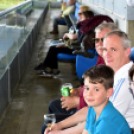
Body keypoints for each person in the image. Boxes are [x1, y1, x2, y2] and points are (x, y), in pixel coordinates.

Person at [44, 26, 134, 134]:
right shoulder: (113, 73)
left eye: (113, 49)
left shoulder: (124, 81)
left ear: (126, 52)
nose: (107, 54)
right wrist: (59, 126)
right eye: (105, 49)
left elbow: (101, 121)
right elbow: (92, 113)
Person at [35, 9, 94, 77]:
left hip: (77, 49)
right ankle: (48, 68)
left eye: (82, 18)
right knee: (53, 48)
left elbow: (74, 38)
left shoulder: (86, 29)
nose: (80, 19)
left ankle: (50, 70)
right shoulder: (86, 27)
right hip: (76, 47)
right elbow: (77, 40)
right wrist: (64, 45)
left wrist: (66, 39)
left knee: (53, 50)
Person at [82, 65, 131, 134]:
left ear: (109, 93)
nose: (89, 94)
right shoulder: (92, 109)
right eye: (87, 88)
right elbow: (86, 131)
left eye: (96, 89)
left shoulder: (107, 121)